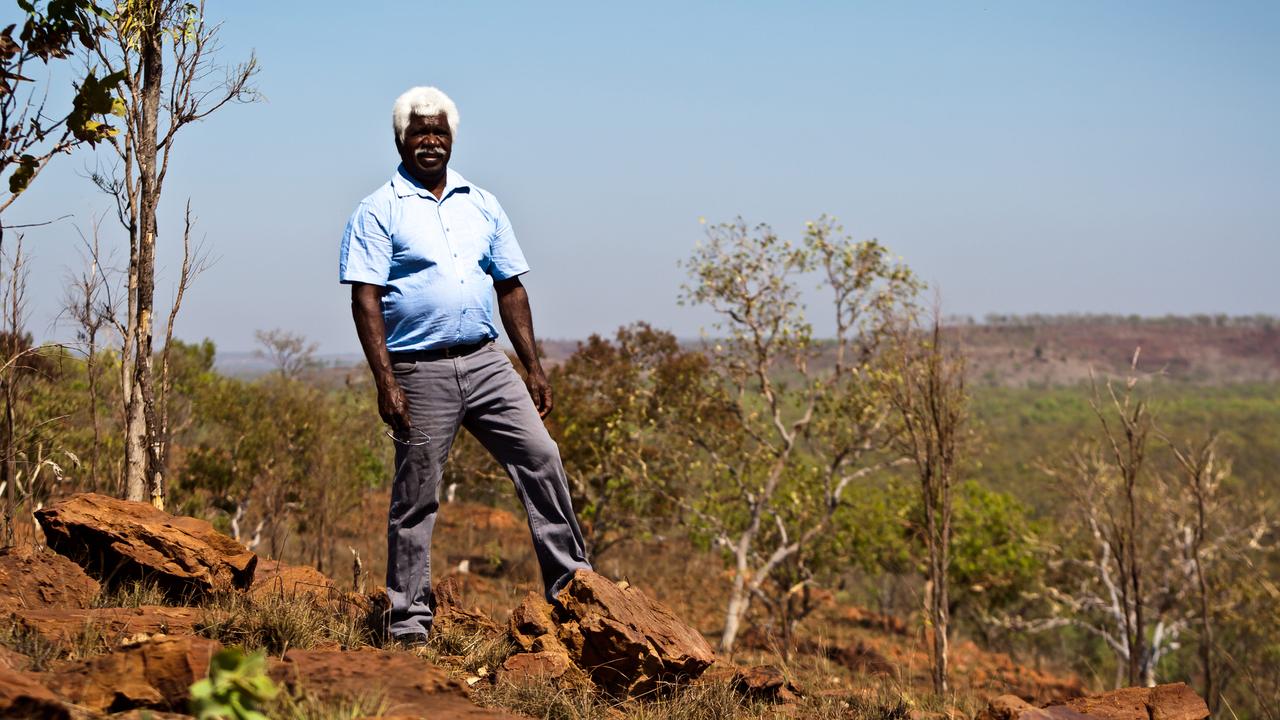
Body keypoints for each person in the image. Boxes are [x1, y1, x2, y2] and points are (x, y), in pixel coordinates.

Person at [339, 86, 592, 643]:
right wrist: (386, 383)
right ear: (400, 140)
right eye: (419, 132)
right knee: (416, 496)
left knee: (541, 457)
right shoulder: (378, 209)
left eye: (439, 131)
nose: (430, 140)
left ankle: (575, 589)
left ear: (452, 138)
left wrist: (534, 365)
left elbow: (511, 287)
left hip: (485, 362)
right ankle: (408, 622)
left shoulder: (482, 202)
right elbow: (364, 298)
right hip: (418, 370)